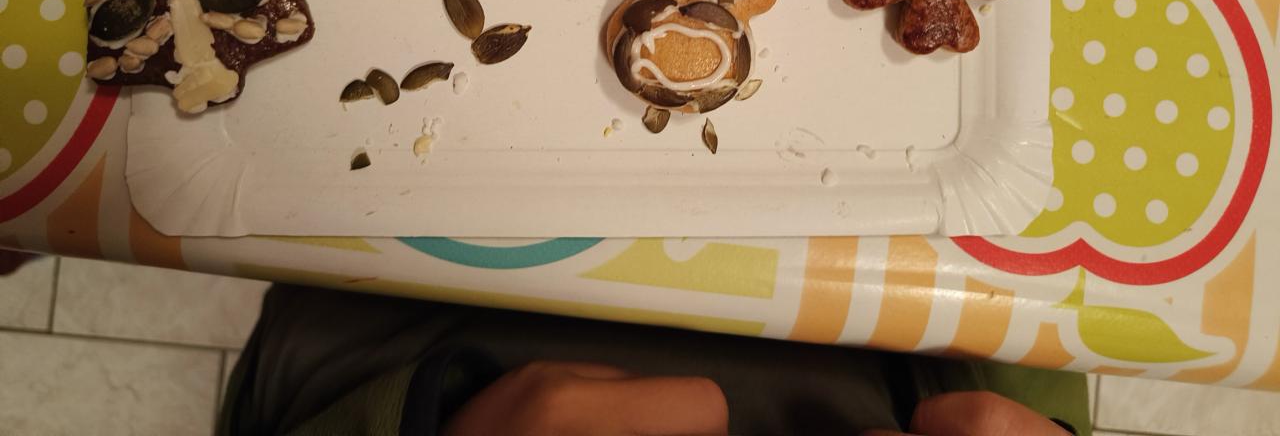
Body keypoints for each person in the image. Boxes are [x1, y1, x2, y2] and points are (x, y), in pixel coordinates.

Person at [219, 284, 1089, 435]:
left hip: (391, 327)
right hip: (934, 325)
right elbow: (1053, 343)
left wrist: (421, 423)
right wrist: (1025, 414)